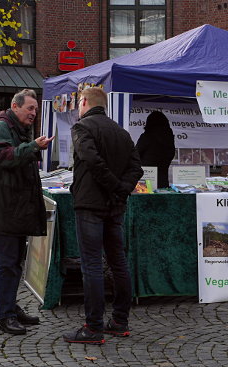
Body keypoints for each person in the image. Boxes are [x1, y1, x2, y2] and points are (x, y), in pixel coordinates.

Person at [63, 87, 143, 345]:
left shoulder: (82, 128)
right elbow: (135, 169)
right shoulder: (120, 132)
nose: (77, 107)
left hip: (91, 204)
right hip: (114, 205)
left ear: (84, 102)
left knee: (93, 265)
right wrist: (121, 190)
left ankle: (94, 327)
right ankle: (120, 321)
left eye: (78, 103)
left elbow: (92, 161)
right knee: (118, 262)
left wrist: (115, 187)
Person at [0, 89, 53, 335]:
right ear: (15, 105)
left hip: (13, 208)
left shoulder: (16, 128)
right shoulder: (2, 126)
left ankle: (11, 306)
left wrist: (31, 147)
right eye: (30, 108)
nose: (34, 113)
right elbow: (2, 156)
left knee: (14, 263)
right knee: (7, 264)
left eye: (35, 109)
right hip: (5, 208)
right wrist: (32, 146)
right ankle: (6, 315)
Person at [135, 111, 175, 188]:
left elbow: (135, 155)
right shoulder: (169, 138)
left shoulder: (146, 137)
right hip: (163, 180)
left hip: (146, 180)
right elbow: (171, 155)